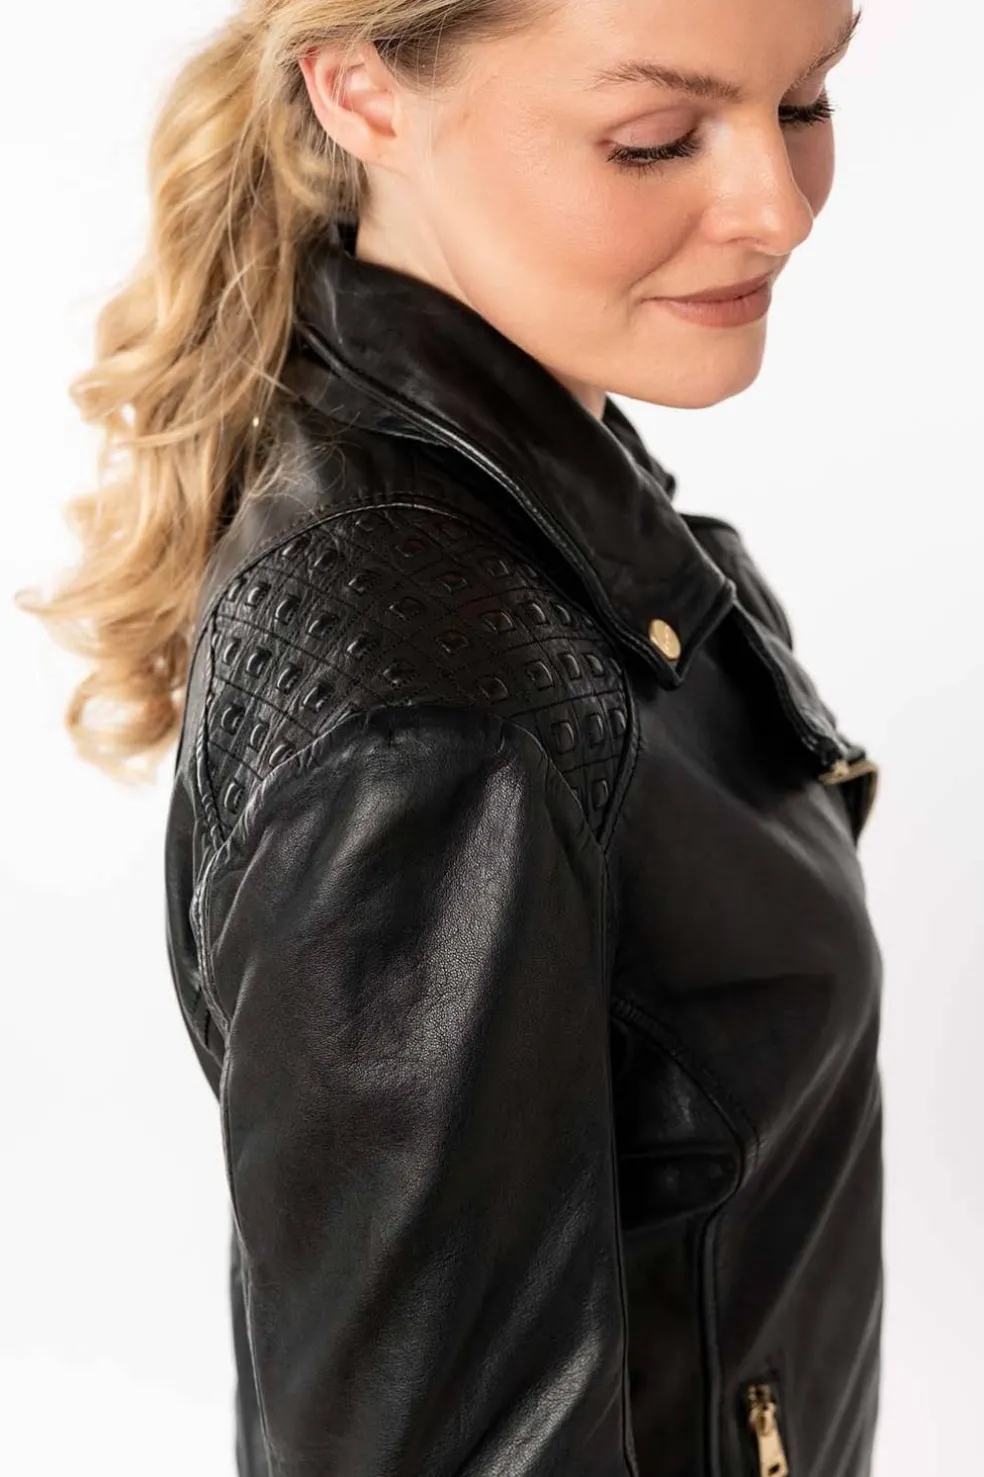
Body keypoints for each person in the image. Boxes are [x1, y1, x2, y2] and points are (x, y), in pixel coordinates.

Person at [16, 0, 884, 1473]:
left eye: (805, 101)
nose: (778, 208)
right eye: (655, 138)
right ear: (364, 95)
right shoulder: (432, 710)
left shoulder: (532, 509)